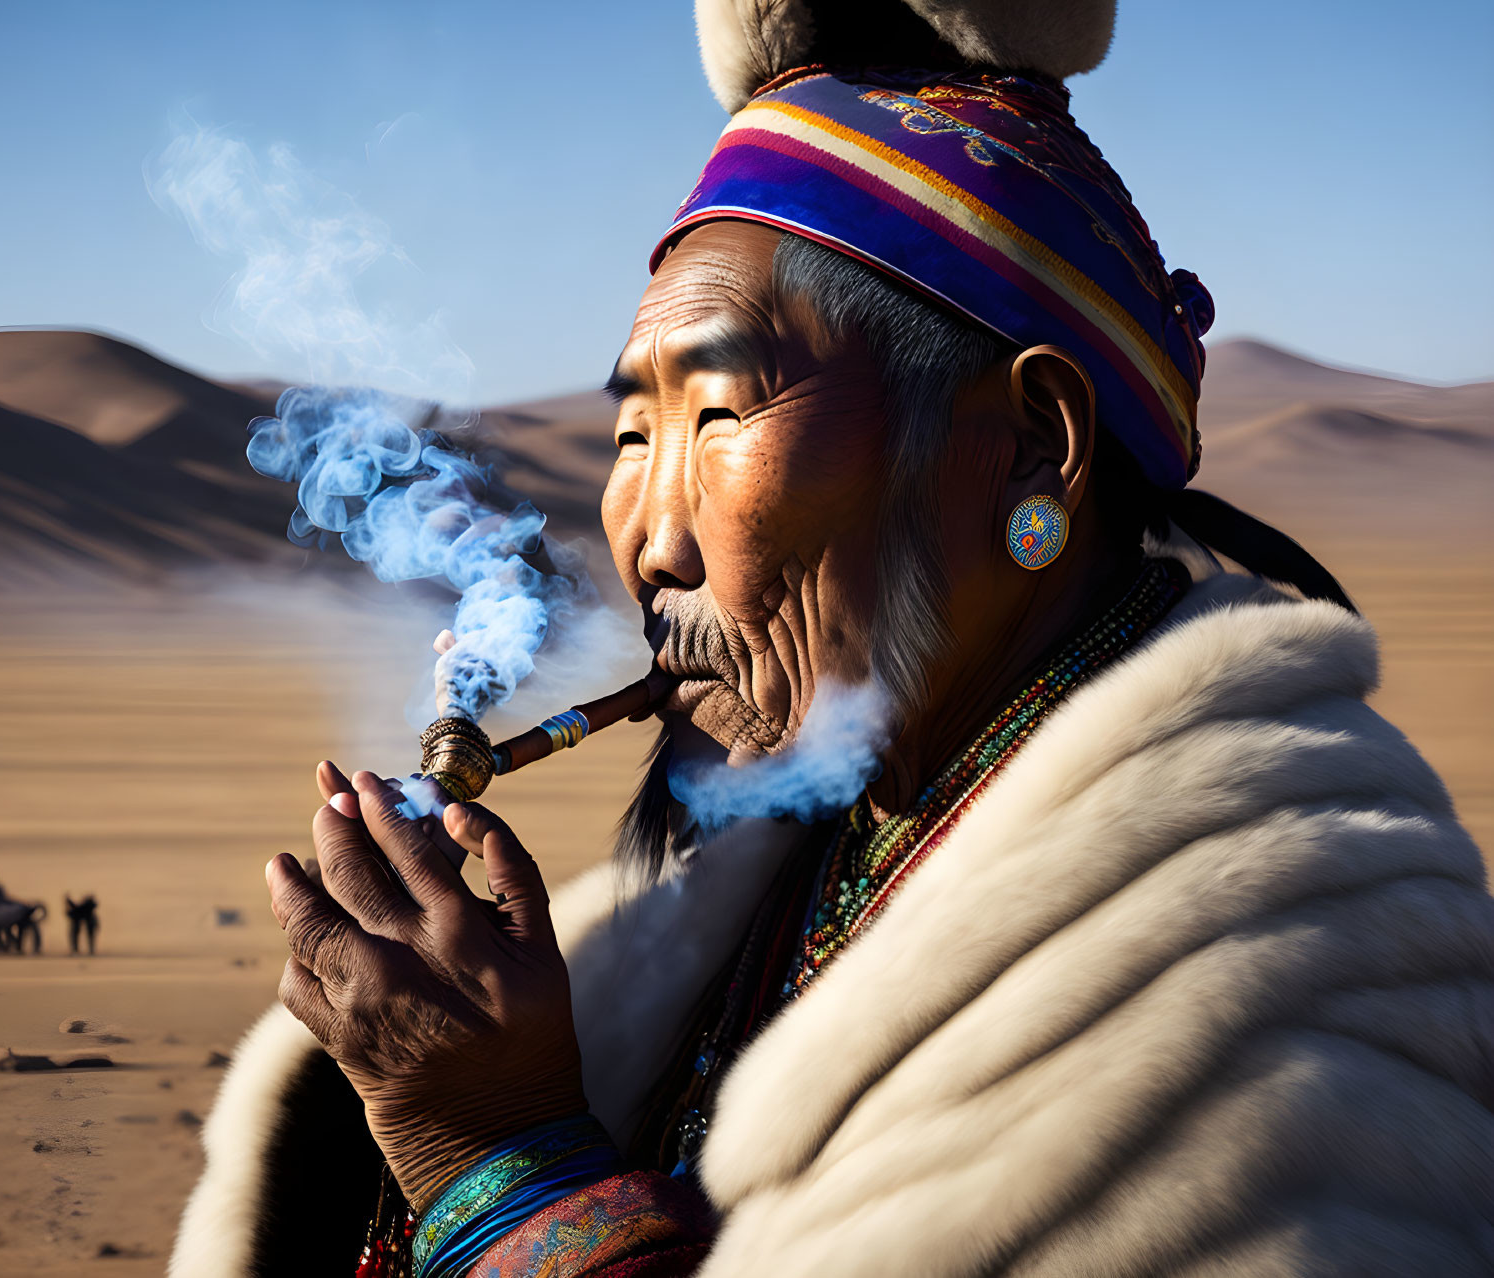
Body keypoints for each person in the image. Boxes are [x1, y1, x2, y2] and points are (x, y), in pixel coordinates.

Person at [172, 4, 1494, 1275]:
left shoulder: (1280, 994)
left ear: (1034, 446)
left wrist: (498, 1160)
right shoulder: (771, 887)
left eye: (720, 414)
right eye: (634, 436)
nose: (647, 537)